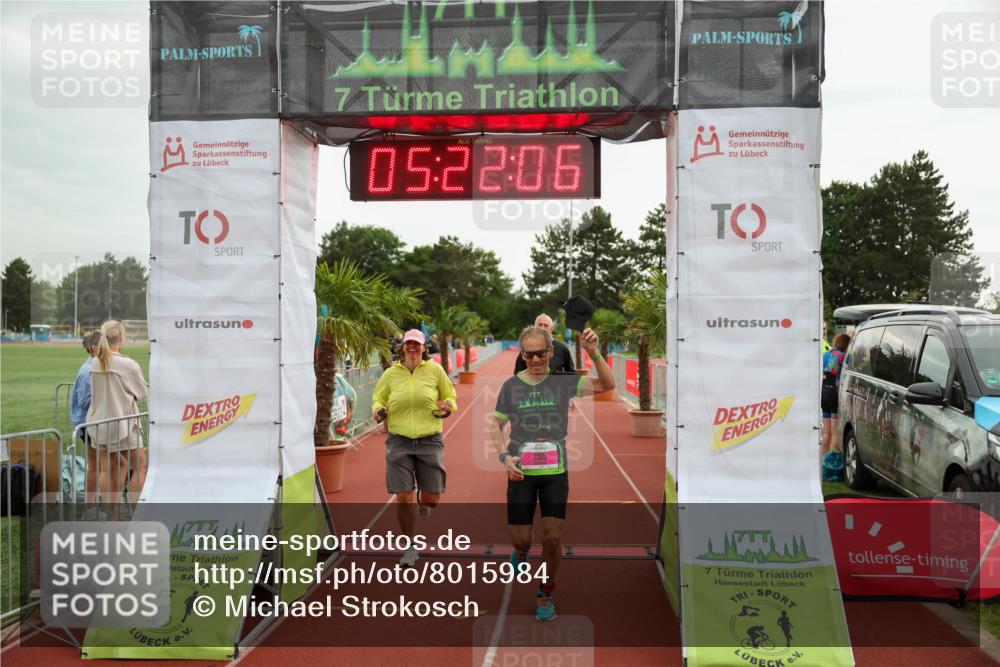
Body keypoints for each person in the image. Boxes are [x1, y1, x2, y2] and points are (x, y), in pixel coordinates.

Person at [491, 325, 614, 622]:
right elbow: (495, 426)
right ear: (522, 354)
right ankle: (520, 553)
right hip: (520, 471)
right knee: (521, 539)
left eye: (541, 354)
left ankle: (545, 590)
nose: (535, 360)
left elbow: (607, 385)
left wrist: (594, 352)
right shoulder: (511, 386)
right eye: (529, 354)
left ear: (550, 352)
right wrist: (504, 457)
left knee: (552, 537)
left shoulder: (563, 383)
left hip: (555, 472)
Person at [371, 329, 458, 567]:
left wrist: (447, 407)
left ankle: (424, 498)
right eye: (408, 343)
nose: (412, 347)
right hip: (399, 440)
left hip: (429, 439)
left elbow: (451, 396)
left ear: (423, 348)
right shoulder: (391, 374)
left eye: (416, 344)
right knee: (403, 494)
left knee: (433, 498)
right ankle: (409, 547)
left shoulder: (435, 370)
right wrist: (378, 410)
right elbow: (378, 398)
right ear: (402, 347)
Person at [87, 320, 149, 501]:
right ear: (120, 338)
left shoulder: (95, 362)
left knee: (108, 468)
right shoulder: (127, 364)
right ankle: (136, 513)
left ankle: (113, 516)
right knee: (140, 467)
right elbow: (143, 393)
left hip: (99, 423)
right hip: (123, 425)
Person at [70, 330, 101, 495]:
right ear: (94, 348)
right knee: (96, 465)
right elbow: (83, 402)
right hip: (88, 424)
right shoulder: (86, 371)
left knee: (100, 464)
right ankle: (90, 508)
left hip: (95, 422)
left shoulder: (95, 366)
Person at [821, 333, 851, 457]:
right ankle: (832, 465)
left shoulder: (826, 354)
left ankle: (824, 462)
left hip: (824, 393)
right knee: (835, 433)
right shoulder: (843, 356)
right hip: (835, 394)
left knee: (827, 433)